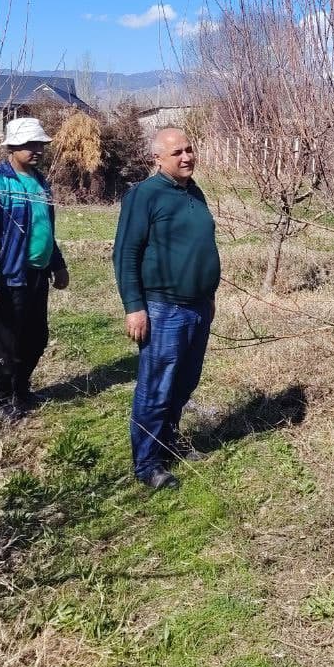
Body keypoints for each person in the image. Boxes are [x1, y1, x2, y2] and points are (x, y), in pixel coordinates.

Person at [113, 126, 220, 491]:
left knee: (185, 381)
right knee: (156, 387)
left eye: (189, 149)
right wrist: (134, 307)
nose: (187, 157)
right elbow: (126, 253)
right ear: (157, 158)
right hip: (163, 308)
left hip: (197, 306)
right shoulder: (145, 195)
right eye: (177, 153)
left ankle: (169, 442)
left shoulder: (194, 191)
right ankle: (147, 463)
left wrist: (209, 294)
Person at [0, 116, 70, 421]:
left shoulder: (41, 182)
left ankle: (20, 389)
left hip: (37, 273)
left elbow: (44, 230)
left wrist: (58, 264)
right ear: (12, 147)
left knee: (36, 336)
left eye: (39, 143)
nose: (37, 149)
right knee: (4, 342)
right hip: (7, 275)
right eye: (29, 144)